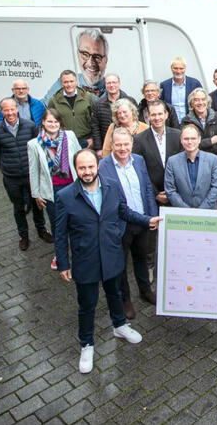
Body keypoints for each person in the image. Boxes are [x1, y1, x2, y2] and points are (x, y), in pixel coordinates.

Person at [54, 148, 152, 374]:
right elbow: (60, 234)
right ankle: (87, 344)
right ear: (75, 169)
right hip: (85, 260)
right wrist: (63, 263)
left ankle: (119, 325)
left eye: (90, 167)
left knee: (115, 294)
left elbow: (124, 212)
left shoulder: (111, 186)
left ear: (97, 166)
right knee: (87, 305)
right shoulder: (65, 197)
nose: (87, 172)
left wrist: (147, 221)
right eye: (82, 168)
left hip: (111, 254)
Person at [97, 128, 161, 319]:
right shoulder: (104, 167)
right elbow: (118, 206)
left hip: (142, 222)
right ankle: (125, 300)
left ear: (132, 144)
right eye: (118, 144)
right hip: (121, 225)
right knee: (121, 265)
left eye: (126, 144)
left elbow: (148, 188)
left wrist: (152, 214)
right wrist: (147, 219)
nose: (123, 148)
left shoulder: (138, 160)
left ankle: (145, 291)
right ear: (112, 145)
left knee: (141, 258)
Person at [0, 97, 47, 251]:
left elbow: (37, 148)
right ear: (2, 112)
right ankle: (23, 236)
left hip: (31, 174)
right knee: (18, 207)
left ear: (17, 109)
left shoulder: (30, 126)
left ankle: (41, 230)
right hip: (11, 176)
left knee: (37, 204)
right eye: (6, 110)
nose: (10, 113)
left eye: (12, 109)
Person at [29, 108, 81, 270]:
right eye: (49, 121)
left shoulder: (69, 136)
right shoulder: (34, 144)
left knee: (77, 221)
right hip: (51, 191)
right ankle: (60, 255)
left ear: (60, 123)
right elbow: (33, 170)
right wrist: (36, 194)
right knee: (58, 225)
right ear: (43, 122)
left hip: (72, 186)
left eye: (56, 121)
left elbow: (80, 156)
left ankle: (79, 252)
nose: (53, 124)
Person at [182, 88, 217, 209]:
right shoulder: (186, 121)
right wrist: (210, 141)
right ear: (192, 103)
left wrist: (199, 147)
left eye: (203, 99)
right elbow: (187, 144)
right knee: (203, 203)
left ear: (207, 102)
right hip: (196, 169)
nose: (200, 103)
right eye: (196, 100)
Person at [132, 100, 181, 208]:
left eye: (160, 114)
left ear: (166, 114)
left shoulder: (178, 136)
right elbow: (139, 170)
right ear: (148, 116)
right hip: (153, 197)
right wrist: (156, 194)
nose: (157, 118)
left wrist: (174, 192)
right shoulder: (139, 140)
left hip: (178, 194)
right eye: (153, 114)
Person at [164, 124, 217, 209]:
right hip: (182, 216)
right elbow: (170, 191)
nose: (190, 142)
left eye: (193, 138)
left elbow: (216, 188)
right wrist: (188, 211)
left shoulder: (213, 160)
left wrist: (200, 211)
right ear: (181, 140)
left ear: (199, 139)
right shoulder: (172, 161)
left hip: (208, 213)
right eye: (186, 139)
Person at [44, 28, 110, 98]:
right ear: (78, 55)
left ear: (105, 60)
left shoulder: (114, 88)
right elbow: (43, 106)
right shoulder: (66, 81)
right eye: (85, 54)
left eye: (97, 56)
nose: (90, 63)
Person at [91, 74, 137, 157]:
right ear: (105, 85)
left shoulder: (130, 101)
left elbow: (137, 120)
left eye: (114, 82)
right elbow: (95, 127)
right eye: (108, 83)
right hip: (108, 145)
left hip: (130, 145)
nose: (111, 85)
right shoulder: (98, 104)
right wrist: (98, 148)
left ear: (119, 84)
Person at [47, 70, 95, 148]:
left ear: (76, 82)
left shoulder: (87, 97)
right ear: (61, 83)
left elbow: (95, 120)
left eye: (71, 81)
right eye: (65, 82)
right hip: (64, 142)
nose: (69, 84)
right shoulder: (54, 100)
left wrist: (92, 139)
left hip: (86, 141)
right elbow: (49, 122)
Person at [159, 57, 202, 121]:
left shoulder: (195, 84)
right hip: (172, 124)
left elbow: (203, 102)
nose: (178, 71)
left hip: (192, 123)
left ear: (185, 68)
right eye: (175, 68)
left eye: (181, 68)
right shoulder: (164, 86)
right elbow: (161, 105)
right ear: (171, 68)